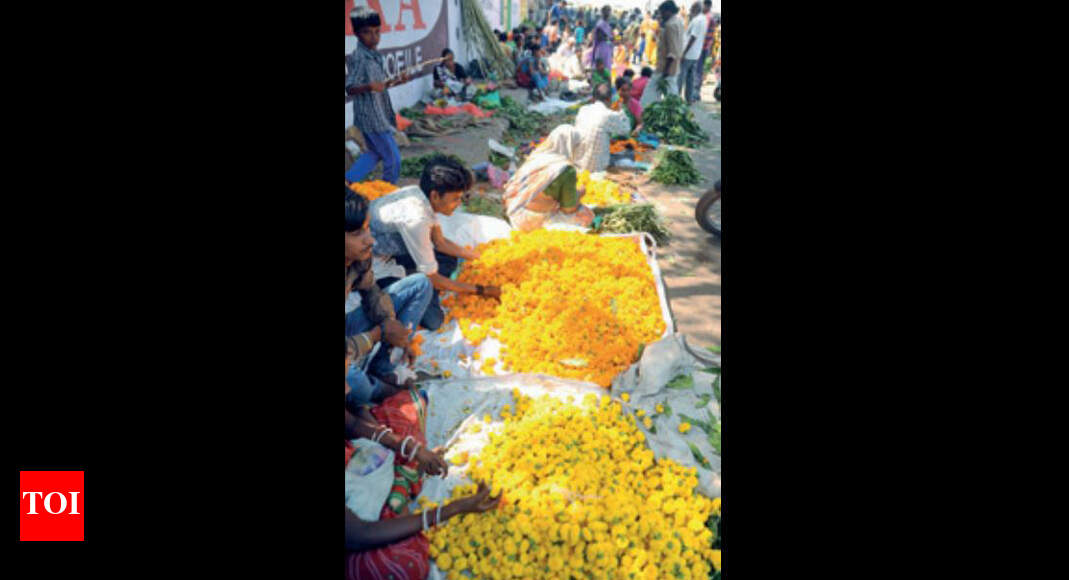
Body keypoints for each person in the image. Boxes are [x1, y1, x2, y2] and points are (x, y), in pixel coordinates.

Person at [345, 345, 501, 580]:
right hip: (356, 524)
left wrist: (411, 448)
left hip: (358, 467)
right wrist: (451, 510)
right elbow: (358, 534)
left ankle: (399, 485)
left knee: (407, 403)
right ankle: (399, 490)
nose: (347, 388)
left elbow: (354, 424)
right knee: (400, 567)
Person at [368, 156, 502, 331]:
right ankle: (398, 290)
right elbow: (432, 278)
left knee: (448, 258)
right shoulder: (416, 219)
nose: (458, 204)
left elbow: (440, 242)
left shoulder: (420, 196)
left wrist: (483, 257)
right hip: (374, 267)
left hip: (396, 250)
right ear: (435, 196)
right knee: (434, 321)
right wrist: (482, 290)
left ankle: (418, 277)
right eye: (455, 199)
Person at [346, 190, 432, 403]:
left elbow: (372, 292)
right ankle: (375, 389)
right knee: (357, 386)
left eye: (367, 228)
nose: (371, 240)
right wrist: (378, 334)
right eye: (357, 233)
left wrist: (395, 329)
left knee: (420, 284)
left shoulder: (358, 257)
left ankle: (382, 368)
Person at [345, 6, 410, 185]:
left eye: (377, 32)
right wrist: (368, 86)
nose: (374, 36)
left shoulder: (374, 55)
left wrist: (398, 81)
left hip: (379, 112)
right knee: (393, 159)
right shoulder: (359, 57)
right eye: (367, 32)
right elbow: (349, 87)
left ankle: (348, 182)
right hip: (371, 117)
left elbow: (380, 86)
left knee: (374, 154)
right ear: (357, 34)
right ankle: (386, 192)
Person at [502, 129, 594, 233]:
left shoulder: (537, 156)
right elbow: (569, 209)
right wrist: (580, 193)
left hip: (514, 213)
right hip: (532, 222)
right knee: (585, 215)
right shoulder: (565, 169)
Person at [572, 83, 634, 172]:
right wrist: (621, 111)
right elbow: (626, 129)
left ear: (594, 97)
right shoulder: (609, 115)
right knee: (628, 157)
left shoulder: (583, 110)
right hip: (596, 167)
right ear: (609, 99)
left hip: (578, 164)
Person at [640, 1, 685, 109]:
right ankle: (673, 112)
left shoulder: (670, 25)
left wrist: (665, 71)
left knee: (650, 92)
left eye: (662, 13)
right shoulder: (678, 21)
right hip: (672, 66)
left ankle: (644, 112)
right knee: (670, 94)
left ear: (668, 11)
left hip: (665, 67)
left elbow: (672, 51)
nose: (660, 16)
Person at [680, 1, 708, 105]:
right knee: (690, 78)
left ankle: (677, 99)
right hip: (696, 53)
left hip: (689, 54)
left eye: (691, 8)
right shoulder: (703, 19)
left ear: (696, 8)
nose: (690, 10)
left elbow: (693, 37)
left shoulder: (697, 20)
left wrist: (684, 53)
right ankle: (689, 98)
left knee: (681, 77)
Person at [588, 6, 614, 72]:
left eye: (609, 11)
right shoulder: (601, 24)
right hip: (601, 48)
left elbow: (611, 38)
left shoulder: (607, 25)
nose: (608, 14)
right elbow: (601, 37)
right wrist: (611, 38)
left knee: (605, 67)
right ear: (603, 13)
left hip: (607, 48)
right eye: (607, 12)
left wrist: (617, 37)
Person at [699, 0, 716, 87]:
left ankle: (695, 93)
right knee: (700, 69)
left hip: (703, 47)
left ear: (707, 6)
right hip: (705, 47)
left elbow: (705, 34)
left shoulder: (708, 17)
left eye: (703, 5)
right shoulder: (708, 17)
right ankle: (696, 92)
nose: (702, 7)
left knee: (698, 69)